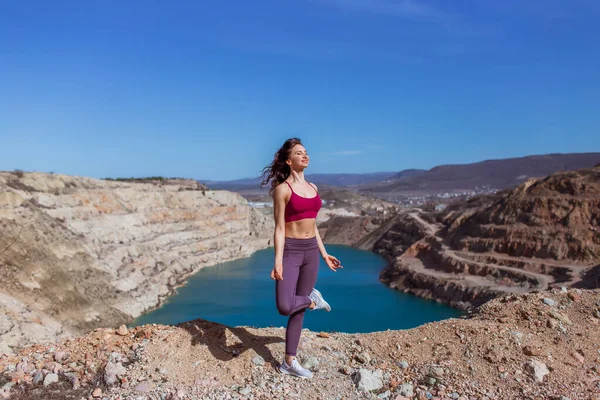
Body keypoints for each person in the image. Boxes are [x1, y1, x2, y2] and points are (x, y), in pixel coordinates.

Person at [260, 137, 343, 378]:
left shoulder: (314, 188)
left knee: (298, 312)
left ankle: (289, 362)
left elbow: (313, 225)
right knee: (285, 306)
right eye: (299, 153)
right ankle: (312, 300)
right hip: (290, 251)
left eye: (306, 152)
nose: (305, 156)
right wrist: (277, 261)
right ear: (289, 160)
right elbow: (279, 228)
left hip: (310, 252)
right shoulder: (283, 190)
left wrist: (324, 254)